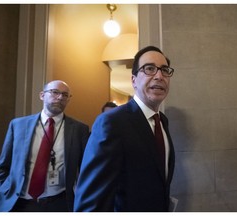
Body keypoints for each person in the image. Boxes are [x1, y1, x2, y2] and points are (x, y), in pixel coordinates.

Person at [74, 46, 175, 212]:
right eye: (149, 69)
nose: (159, 76)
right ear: (133, 80)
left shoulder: (162, 122)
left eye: (165, 70)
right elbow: (91, 201)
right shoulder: (112, 122)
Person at [0, 80, 90, 212]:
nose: (60, 97)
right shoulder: (18, 125)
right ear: (42, 95)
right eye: (55, 92)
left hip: (59, 203)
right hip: (18, 203)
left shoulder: (79, 129)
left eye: (65, 95)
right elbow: (2, 167)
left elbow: (86, 169)